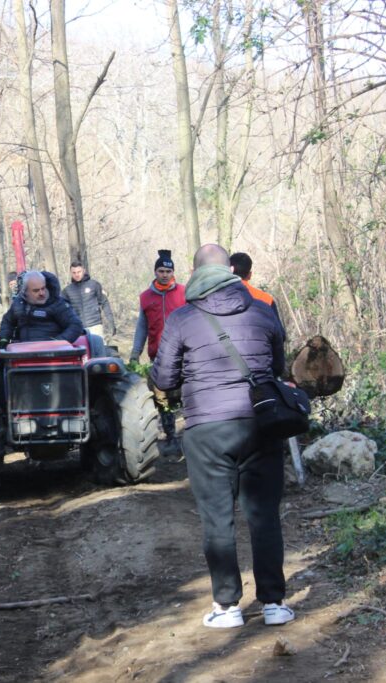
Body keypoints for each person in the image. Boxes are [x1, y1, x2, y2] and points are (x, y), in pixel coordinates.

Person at [151, 243, 293, 629]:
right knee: (264, 515)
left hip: (206, 428)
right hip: (261, 423)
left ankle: (227, 607)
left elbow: (163, 378)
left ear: (194, 274)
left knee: (217, 517)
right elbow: (277, 367)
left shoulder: (182, 319)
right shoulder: (262, 310)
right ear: (230, 271)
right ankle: (274, 604)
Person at [131, 249, 187, 454]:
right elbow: (142, 327)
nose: (165, 275)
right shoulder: (146, 297)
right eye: (161, 271)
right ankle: (170, 436)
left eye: (168, 271)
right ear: (155, 272)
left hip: (184, 354)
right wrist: (135, 352)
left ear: (173, 273)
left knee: (186, 394)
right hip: (158, 356)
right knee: (162, 398)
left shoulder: (184, 293)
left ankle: (190, 435)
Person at [0, 271, 83, 344]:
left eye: (43, 288)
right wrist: (4, 340)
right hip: (22, 351)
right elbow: (7, 322)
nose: (41, 293)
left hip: (51, 352)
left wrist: (57, 343)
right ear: (25, 291)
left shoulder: (58, 304)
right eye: (36, 290)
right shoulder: (19, 303)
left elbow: (75, 325)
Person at [62, 260, 117, 342]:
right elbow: (62, 311)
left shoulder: (94, 285)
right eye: (74, 272)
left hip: (95, 326)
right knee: (82, 349)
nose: (77, 274)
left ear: (84, 271)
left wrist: (111, 322)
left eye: (79, 272)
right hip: (78, 328)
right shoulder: (67, 291)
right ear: (71, 273)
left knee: (99, 348)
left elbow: (104, 303)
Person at [230, 252, 283, 328]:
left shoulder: (217, 297)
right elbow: (279, 332)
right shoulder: (266, 299)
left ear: (229, 271)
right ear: (249, 275)